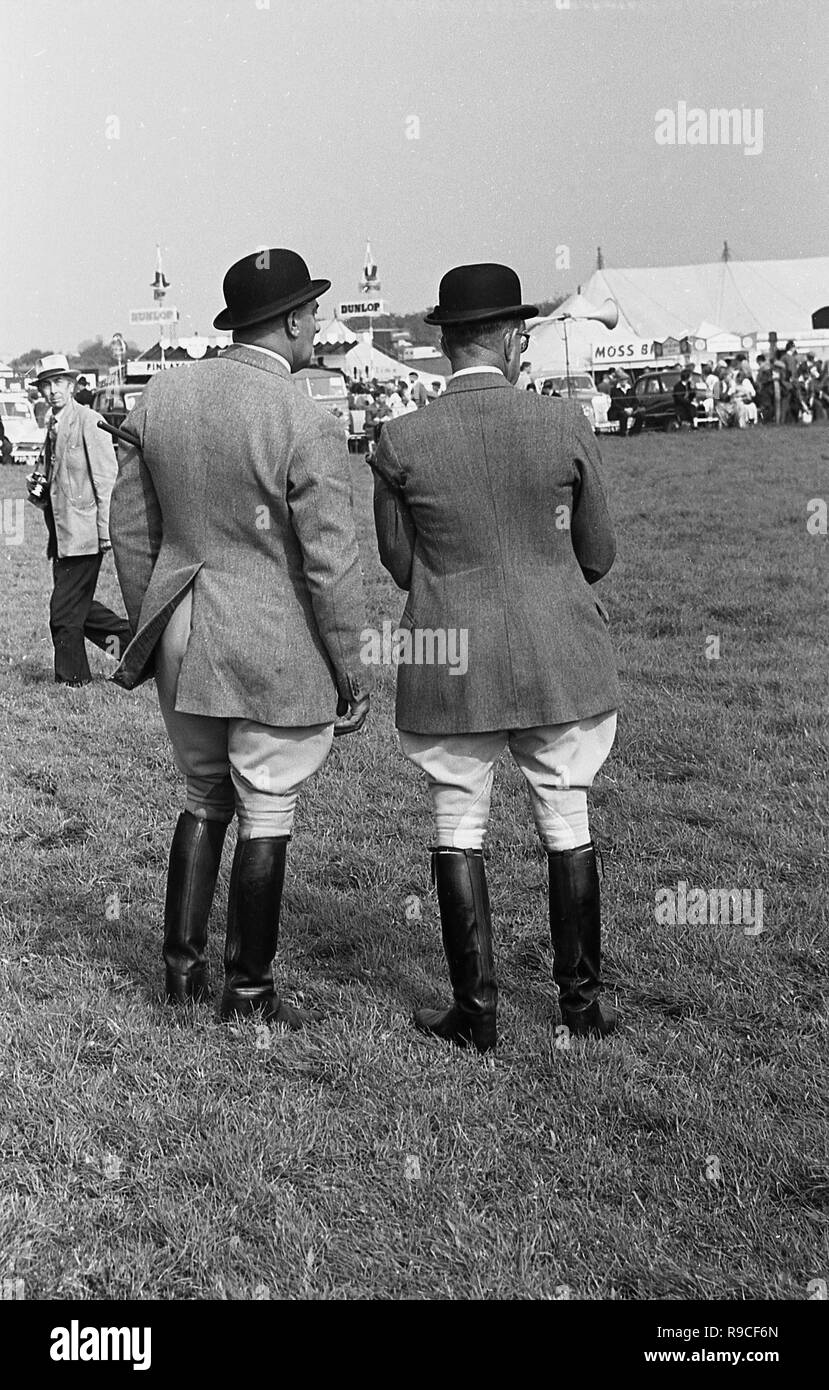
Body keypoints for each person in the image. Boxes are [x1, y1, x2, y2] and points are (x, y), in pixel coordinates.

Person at [109, 248, 371, 1024]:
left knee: (200, 795)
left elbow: (129, 528)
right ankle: (248, 990)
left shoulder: (164, 394)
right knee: (268, 804)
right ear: (291, 321)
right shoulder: (305, 417)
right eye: (313, 313)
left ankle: (182, 976)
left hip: (183, 621)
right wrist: (350, 669)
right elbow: (330, 560)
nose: (317, 324)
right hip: (268, 634)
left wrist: (150, 620)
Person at [371, 262, 620, 1054]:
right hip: (558, 652)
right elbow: (598, 554)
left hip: (450, 652)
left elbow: (399, 563)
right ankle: (579, 1008)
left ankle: (474, 1011)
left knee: (458, 823)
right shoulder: (562, 422)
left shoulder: (399, 438)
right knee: (566, 817)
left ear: (444, 342)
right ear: (515, 339)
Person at [28, 354, 131, 685]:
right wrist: (37, 488)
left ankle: (73, 680)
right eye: (47, 385)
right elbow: (54, 483)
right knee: (82, 611)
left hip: (85, 535)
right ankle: (138, 651)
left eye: (59, 383)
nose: (53, 391)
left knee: (63, 615)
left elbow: (106, 479)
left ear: (71, 385)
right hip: (61, 537)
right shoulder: (53, 426)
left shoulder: (88, 420)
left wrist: (104, 533)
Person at [607, 368, 634, 435]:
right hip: (617, 411)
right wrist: (625, 409)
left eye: (625, 379)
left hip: (630, 409)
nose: (623, 381)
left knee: (641, 413)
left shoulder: (631, 389)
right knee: (623, 414)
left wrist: (632, 408)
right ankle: (623, 432)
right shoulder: (614, 390)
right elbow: (614, 404)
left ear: (627, 380)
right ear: (619, 380)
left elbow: (635, 401)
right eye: (622, 380)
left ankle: (635, 431)